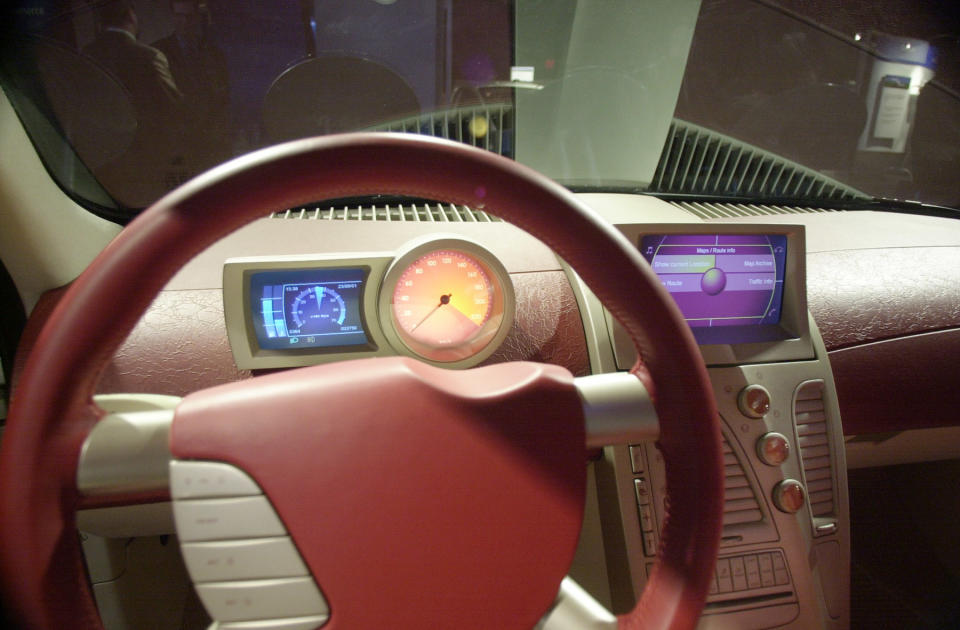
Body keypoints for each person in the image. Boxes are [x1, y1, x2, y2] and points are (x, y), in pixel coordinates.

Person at [82, 0, 186, 207]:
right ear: (130, 15)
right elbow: (175, 110)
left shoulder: (85, 57)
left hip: (100, 167)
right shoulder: (148, 57)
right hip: (146, 166)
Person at [154, 0, 232, 172]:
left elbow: (223, 95)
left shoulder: (213, 52)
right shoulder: (158, 52)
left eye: (189, 16)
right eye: (180, 16)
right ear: (173, 17)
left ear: (197, 17)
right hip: (176, 143)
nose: (185, 22)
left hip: (210, 141)